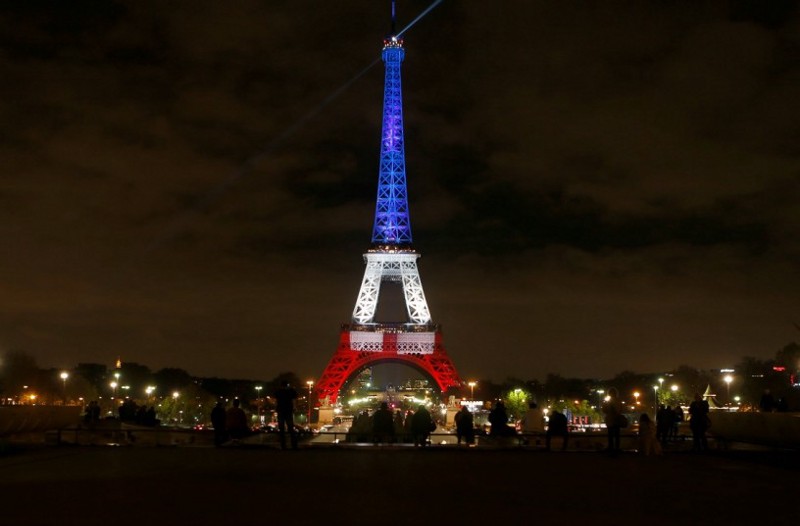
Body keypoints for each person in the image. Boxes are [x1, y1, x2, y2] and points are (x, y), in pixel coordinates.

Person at [274, 381, 299, 450]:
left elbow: (276, 401)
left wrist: (275, 409)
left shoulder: (278, 391)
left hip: (281, 410)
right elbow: (294, 400)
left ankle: (283, 446)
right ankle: (294, 445)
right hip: (288, 410)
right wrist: (294, 408)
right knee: (291, 428)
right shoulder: (291, 391)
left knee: (281, 429)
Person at [602, 387, 625, 455]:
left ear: (609, 393)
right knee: (617, 436)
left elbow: (605, 410)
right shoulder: (619, 401)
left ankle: (611, 448)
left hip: (611, 420)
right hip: (617, 420)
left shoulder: (609, 401)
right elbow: (620, 410)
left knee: (610, 436)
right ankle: (617, 448)